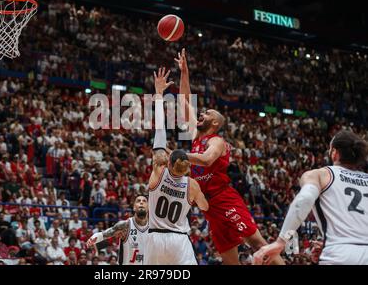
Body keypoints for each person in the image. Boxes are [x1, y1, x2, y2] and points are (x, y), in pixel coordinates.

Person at [177, 49, 284, 265]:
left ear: (215, 123)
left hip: (224, 198)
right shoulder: (196, 136)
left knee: (257, 242)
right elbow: (183, 101)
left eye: (206, 113)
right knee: (228, 258)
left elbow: (207, 160)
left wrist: (179, 155)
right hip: (209, 206)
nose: (201, 114)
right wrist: (185, 73)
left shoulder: (216, 141)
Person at [254, 130, 368, 265]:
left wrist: (281, 241)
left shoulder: (320, 174)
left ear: (334, 153)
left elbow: (305, 199)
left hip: (340, 254)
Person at [144, 67, 208, 265]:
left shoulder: (159, 171)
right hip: (179, 240)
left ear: (168, 161)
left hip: (155, 239)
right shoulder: (192, 185)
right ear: (187, 168)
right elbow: (205, 206)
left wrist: (159, 94)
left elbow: (160, 133)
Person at [86, 195, 149, 265]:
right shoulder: (126, 225)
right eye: (138, 201)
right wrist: (94, 238)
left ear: (148, 207)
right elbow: (104, 234)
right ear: (134, 207)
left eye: (144, 201)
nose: (141, 202)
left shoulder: (154, 228)